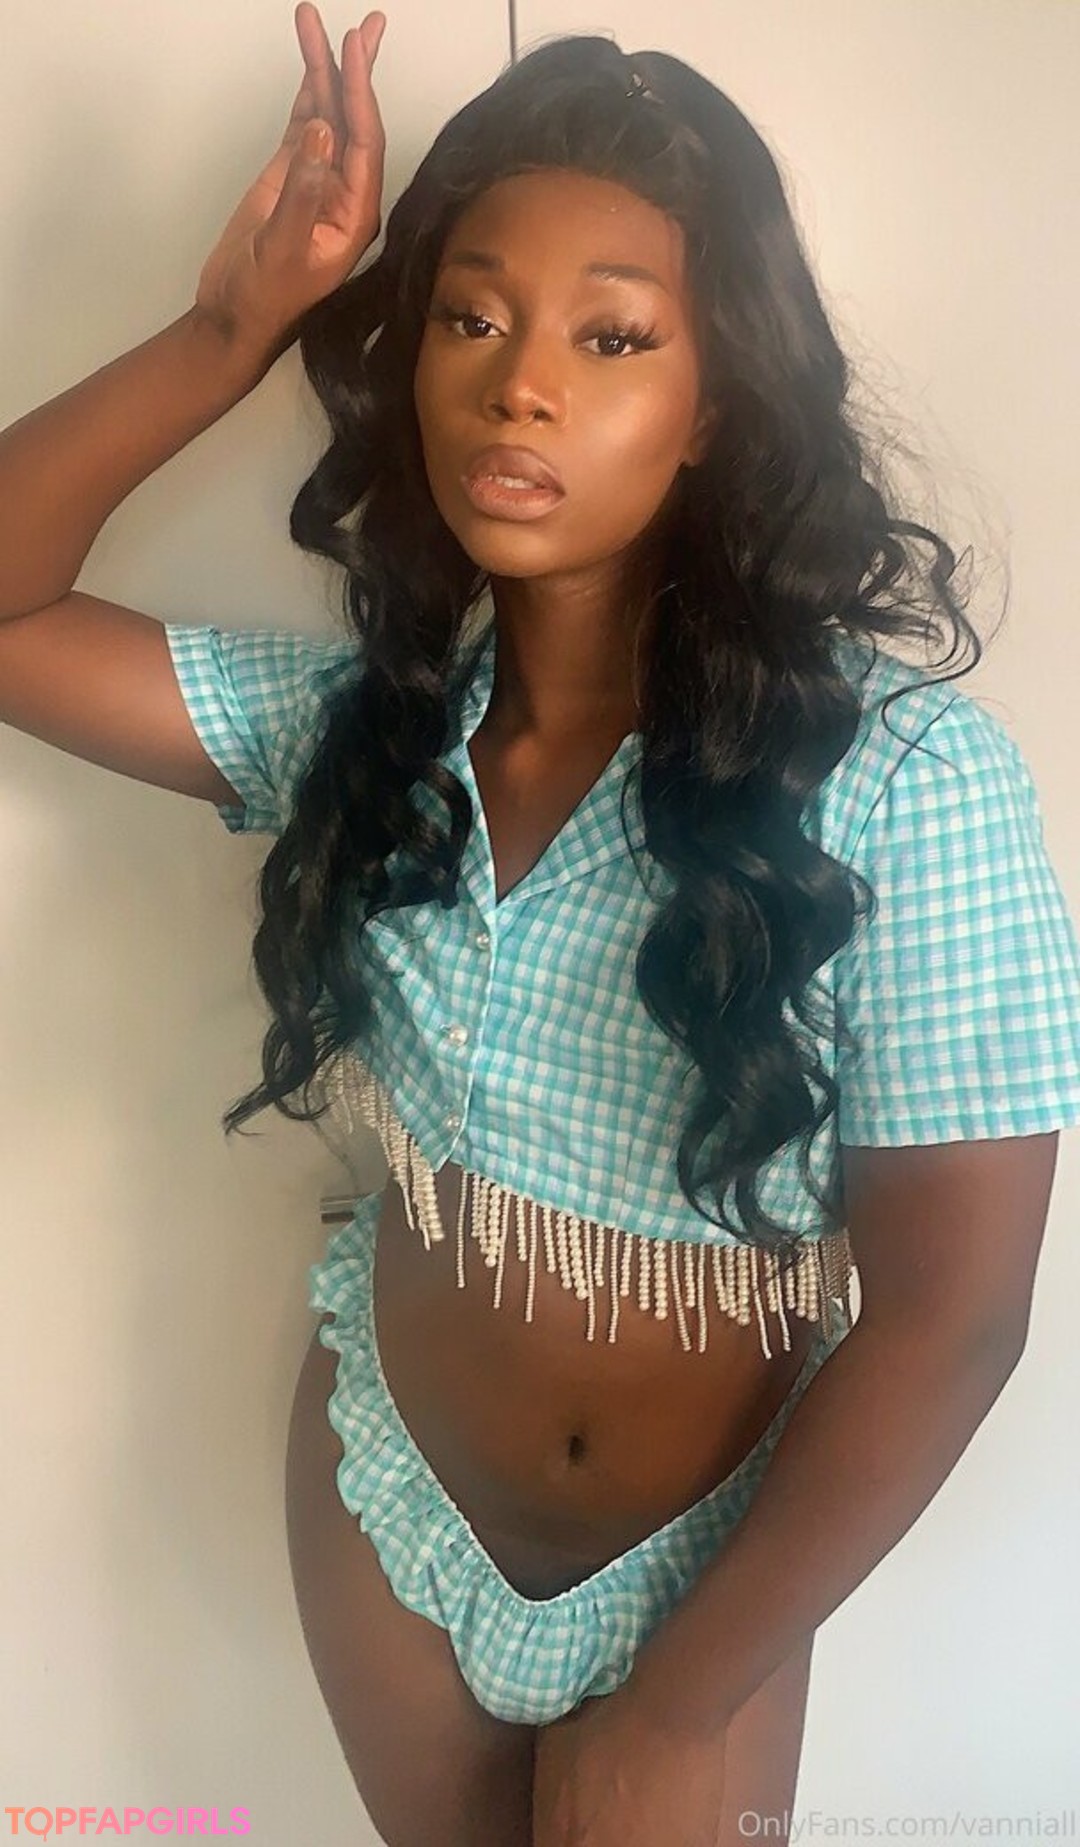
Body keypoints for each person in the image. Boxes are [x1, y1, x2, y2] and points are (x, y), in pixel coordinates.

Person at [3, 6, 1080, 1842]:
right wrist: (226, 329)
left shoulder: (905, 782)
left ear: (714, 399)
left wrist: (679, 1705)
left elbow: (957, 1316)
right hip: (390, 1512)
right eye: (471, 318)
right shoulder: (366, 731)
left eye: (614, 336)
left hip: (706, 1587)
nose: (521, 387)